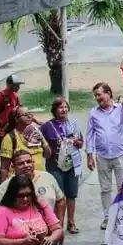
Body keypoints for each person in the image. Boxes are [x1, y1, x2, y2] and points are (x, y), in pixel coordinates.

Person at [86, 82, 123, 230]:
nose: (97, 98)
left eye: (99, 94)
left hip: (120, 154)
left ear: (108, 93)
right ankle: (107, 217)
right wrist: (89, 155)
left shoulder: (120, 108)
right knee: (105, 188)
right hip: (102, 156)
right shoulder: (93, 113)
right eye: (95, 96)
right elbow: (89, 135)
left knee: (122, 187)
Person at [0, 174, 64, 245]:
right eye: (21, 195)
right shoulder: (0, 212)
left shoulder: (40, 206)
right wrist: (23, 242)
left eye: (28, 194)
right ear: (12, 195)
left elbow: (58, 229)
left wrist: (50, 239)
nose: (25, 199)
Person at [40, 96, 83, 233]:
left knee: (71, 195)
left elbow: (81, 143)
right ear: (55, 110)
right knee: (58, 196)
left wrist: (76, 142)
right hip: (55, 165)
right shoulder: (47, 126)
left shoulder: (73, 124)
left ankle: (71, 222)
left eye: (65, 107)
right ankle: (56, 224)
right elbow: (41, 146)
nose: (63, 110)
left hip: (72, 164)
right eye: (60, 107)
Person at [0, 150, 65, 221]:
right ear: (13, 167)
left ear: (33, 163)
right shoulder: (5, 187)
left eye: (29, 162)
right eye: (21, 163)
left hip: (51, 228)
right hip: (22, 230)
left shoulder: (48, 177)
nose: (26, 165)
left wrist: (59, 226)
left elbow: (61, 201)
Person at [0, 105, 51, 182]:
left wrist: (43, 140)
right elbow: (4, 168)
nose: (29, 116)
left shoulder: (36, 133)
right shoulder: (10, 138)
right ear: (16, 119)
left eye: (30, 114)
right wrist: (2, 188)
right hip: (21, 182)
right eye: (26, 115)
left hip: (39, 180)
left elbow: (48, 155)